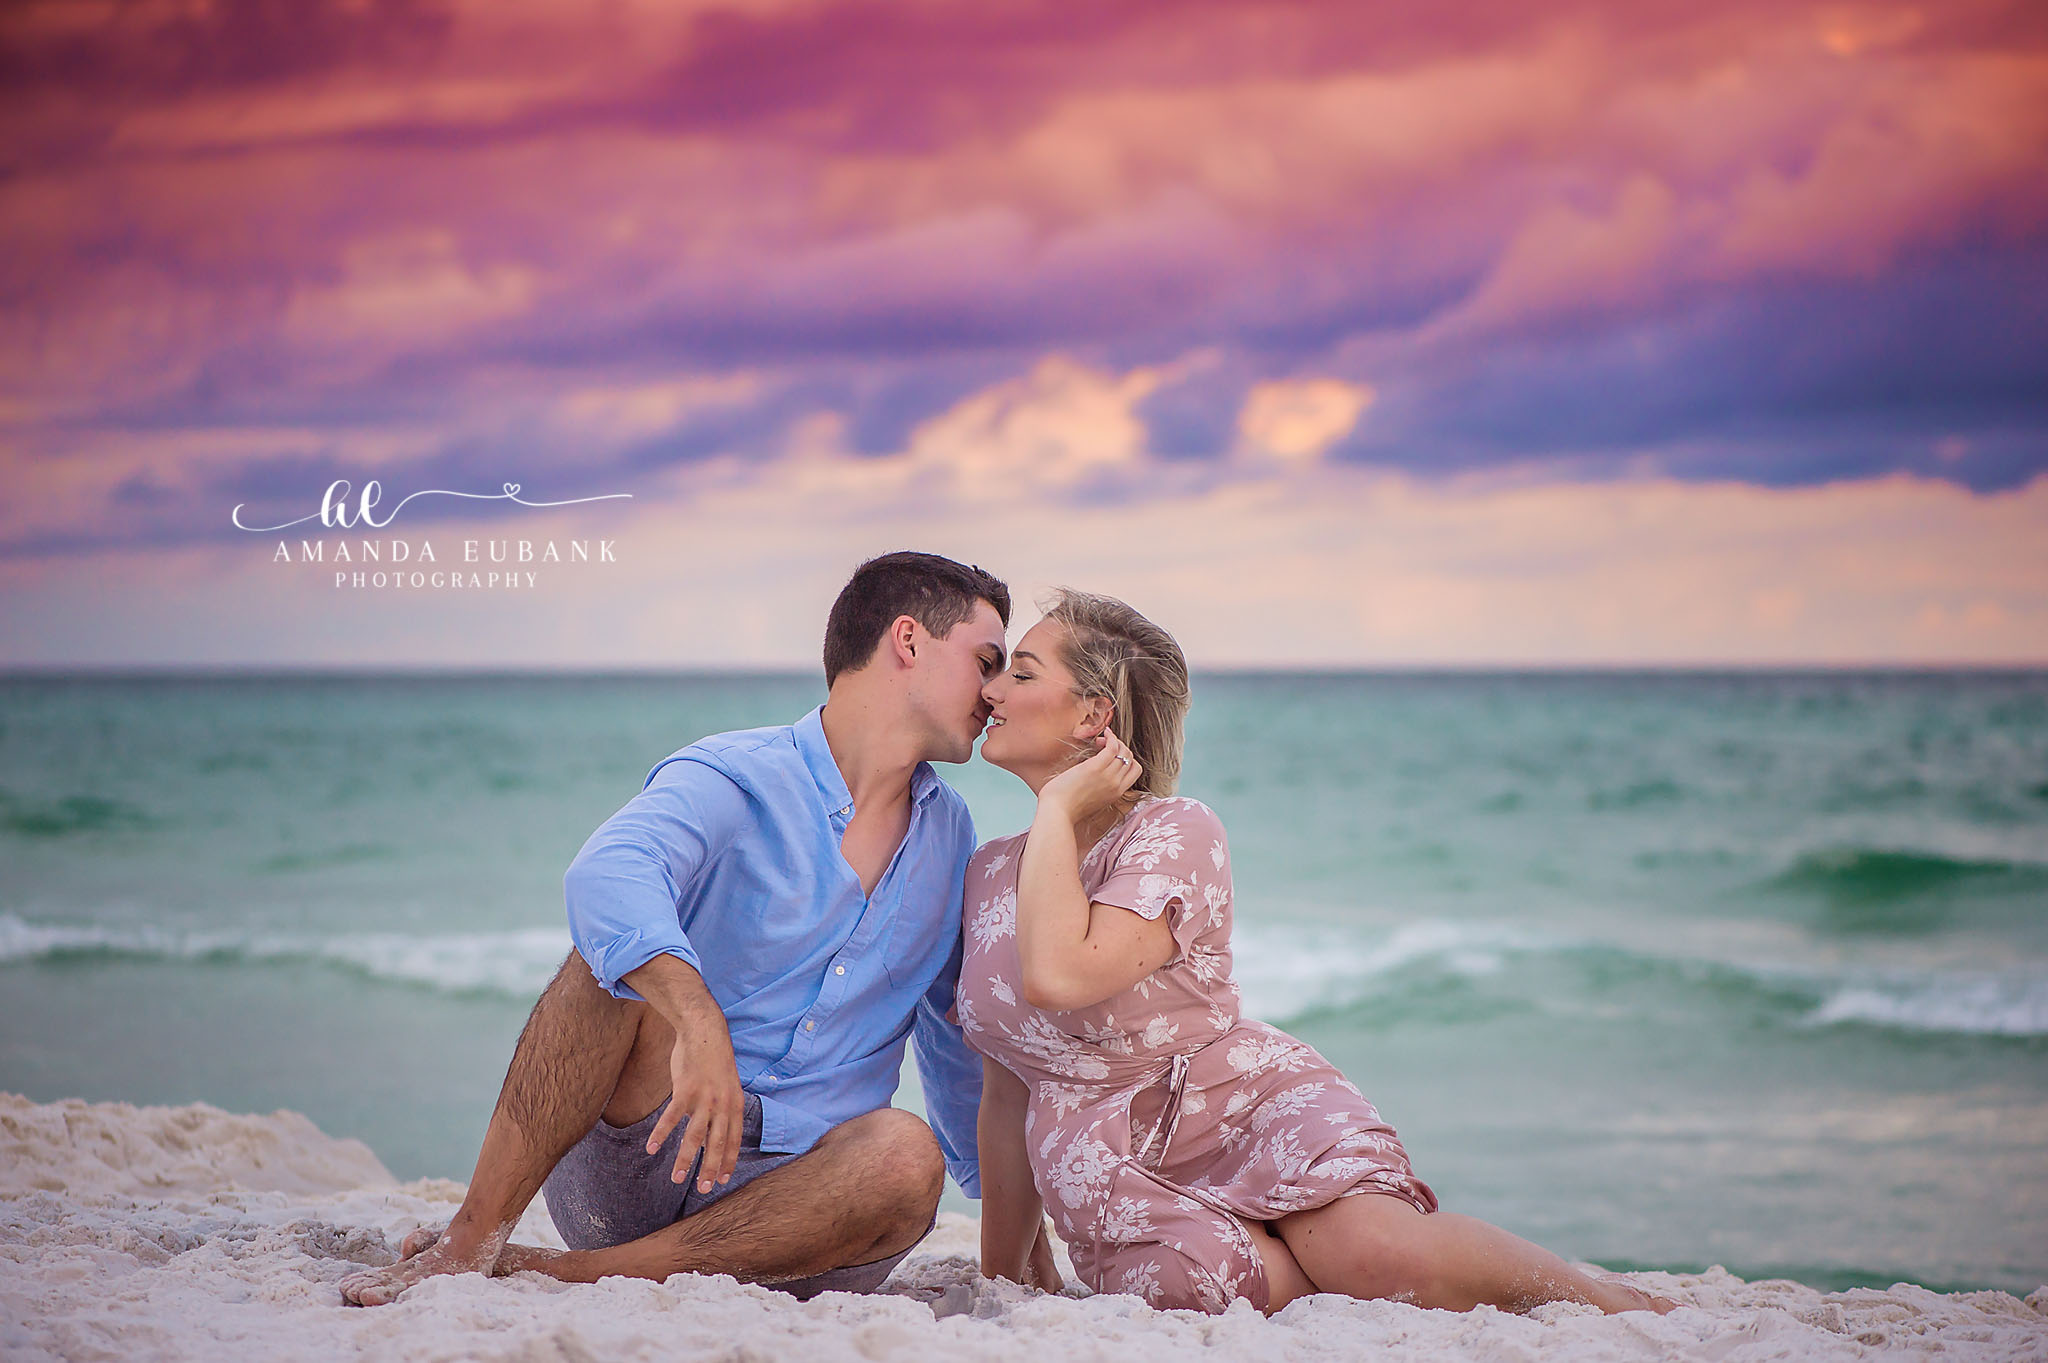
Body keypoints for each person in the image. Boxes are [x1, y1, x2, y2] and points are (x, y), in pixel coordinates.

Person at [962, 589, 1680, 1316]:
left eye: (1019, 673)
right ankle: (1300, 1261)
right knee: (1188, 1286)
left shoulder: (1176, 832)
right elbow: (1008, 1090)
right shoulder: (991, 874)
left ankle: (1617, 1305)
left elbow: (1060, 974)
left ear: (1092, 715)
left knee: (1370, 1253)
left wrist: (1056, 806)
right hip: (1118, 1176)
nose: (991, 690)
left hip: (1244, 1111)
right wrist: (1005, 1272)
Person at [340, 551, 1011, 1306]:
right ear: (909, 640)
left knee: (906, 1153)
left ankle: (574, 1276)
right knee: (609, 961)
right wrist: (698, 1019)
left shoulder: (953, 838)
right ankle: (472, 1239)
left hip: (806, 1211)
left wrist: (1011, 1222)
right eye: (986, 661)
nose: (997, 692)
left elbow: (959, 1036)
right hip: (645, 1160)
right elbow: (605, 875)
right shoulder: (737, 773)